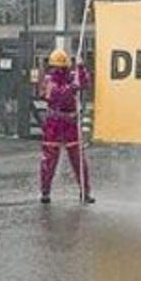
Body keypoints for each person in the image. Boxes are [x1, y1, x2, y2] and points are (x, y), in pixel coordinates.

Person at [39, 48, 94, 204]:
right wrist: (72, 88)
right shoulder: (48, 80)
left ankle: (85, 192)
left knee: (79, 160)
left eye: (60, 67)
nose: (58, 69)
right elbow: (57, 96)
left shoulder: (72, 76)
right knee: (49, 161)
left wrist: (81, 68)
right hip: (54, 124)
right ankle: (45, 192)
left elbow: (85, 83)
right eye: (56, 67)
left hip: (70, 123)